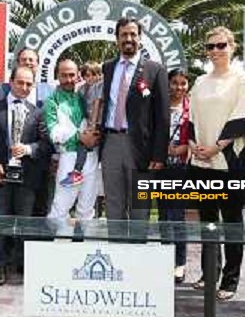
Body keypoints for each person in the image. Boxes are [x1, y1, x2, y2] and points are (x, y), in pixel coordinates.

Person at [189, 27, 245, 301]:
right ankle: (209, 272)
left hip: (229, 163)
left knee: (231, 222)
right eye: (210, 46)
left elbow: (243, 116)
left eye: (221, 45)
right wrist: (195, 146)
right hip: (201, 162)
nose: (215, 51)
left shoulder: (241, 80)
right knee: (207, 222)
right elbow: (191, 116)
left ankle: (230, 279)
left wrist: (217, 146)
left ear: (232, 47)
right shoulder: (200, 82)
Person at [0, 66, 51, 285]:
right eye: (21, 82)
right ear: (11, 81)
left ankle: (21, 263)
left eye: (29, 84)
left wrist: (28, 149)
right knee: (0, 221)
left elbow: (46, 145)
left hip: (26, 178)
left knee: (23, 222)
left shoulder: (37, 112)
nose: (25, 87)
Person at [100, 17, 169, 220]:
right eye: (124, 34)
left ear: (140, 39)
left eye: (133, 34)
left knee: (140, 205)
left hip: (141, 147)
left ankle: (137, 249)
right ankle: (117, 250)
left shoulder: (155, 70)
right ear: (117, 39)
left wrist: (159, 155)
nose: (128, 38)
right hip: (111, 143)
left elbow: (162, 116)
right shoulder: (108, 68)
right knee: (113, 203)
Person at [45, 59, 100, 221]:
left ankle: (85, 246)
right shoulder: (52, 100)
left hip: (92, 156)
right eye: (64, 75)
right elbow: (54, 133)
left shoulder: (83, 95)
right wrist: (80, 137)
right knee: (60, 209)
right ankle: (55, 246)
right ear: (57, 76)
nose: (68, 79)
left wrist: (96, 136)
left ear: (77, 76)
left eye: (72, 75)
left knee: (87, 210)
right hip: (69, 157)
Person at [158, 69, 191, 284]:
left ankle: (180, 263)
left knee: (176, 215)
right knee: (162, 215)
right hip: (161, 166)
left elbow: (199, 132)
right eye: (174, 83)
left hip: (181, 167)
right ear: (168, 84)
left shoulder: (193, 108)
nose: (178, 87)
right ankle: (164, 259)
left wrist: (184, 148)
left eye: (183, 83)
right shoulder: (160, 105)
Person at [16, 48, 56, 216]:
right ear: (18, 63)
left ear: (38, 65)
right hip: (15, 162)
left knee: (41, 208)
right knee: (17, 210)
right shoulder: (5, 90)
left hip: (42, 160)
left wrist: (55, 155)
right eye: (24, 59)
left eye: (32, 60)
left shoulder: (50, 91)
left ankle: (40, 241)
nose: (28, 63)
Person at [60, 61, 103, 189]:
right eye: (88, 75)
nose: (92, 78)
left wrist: (92, 127)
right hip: (87, 121)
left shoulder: (100, 86)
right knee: (83, 144)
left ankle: (77, 172)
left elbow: (97, 105)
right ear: (83, 76)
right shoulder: (82, 89)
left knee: (84, 142)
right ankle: (79, 172)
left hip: (98, 122)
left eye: (95, 75)